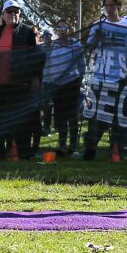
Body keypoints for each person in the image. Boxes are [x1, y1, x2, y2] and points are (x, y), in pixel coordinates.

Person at [0, 0, 45, 160]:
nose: (13, 14)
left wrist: (36, 78)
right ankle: (0, 155)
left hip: (20, 87)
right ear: (3, 15)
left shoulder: (28, 31)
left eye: (16, 11)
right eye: (9, 11)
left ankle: (23, 156)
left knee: (22, 123)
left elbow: (39, 56)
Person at [82, 0, 127, 160]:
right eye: (106, 5)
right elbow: (88, 48)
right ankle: (90, 150)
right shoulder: (98, 24)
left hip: (120, 77)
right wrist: (95, 38)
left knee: (118, 115)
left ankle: (116, 150)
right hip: (99, 77)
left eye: (111, 5)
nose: (108, 9)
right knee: (95, 116)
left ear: (118, 6)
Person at [43, 18, 85, 156]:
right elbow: (46, 62)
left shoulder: (75, 44)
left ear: (69, 29)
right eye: (59, 28)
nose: (61, 31)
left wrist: (80, 80)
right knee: (60, 117)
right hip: (56, 85)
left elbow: (82, 64)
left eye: (64, 28)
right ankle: (61, 146)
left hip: (72, 83)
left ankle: (73, 147)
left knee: (72, 115)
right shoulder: (52, 45)